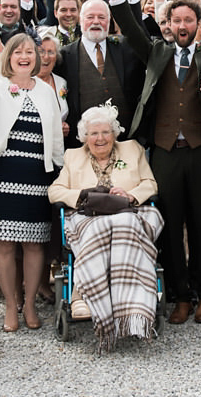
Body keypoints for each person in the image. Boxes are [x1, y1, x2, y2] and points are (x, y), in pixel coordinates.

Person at [108, 0, 201, 325]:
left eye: (189, 20)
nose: (182, 26)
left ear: (198, 24)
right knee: (169, 223)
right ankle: (180, 296)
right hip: (163, 153)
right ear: (167, 24)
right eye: (176, 20)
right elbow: (132, 32)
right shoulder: (157, 53)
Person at [0, 0, 65, 333]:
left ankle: (31, 305)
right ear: (9, 58)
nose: (25, 56)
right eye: (18, 52)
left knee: (35, 243)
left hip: (36, 175)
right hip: (1, 175)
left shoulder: (46, 91)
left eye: (30, 52)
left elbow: (55, 136)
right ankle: (11, 305)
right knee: (5, 244)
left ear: (37, 58)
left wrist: (59, 169)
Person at [47, 104, 163, 352]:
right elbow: (54, 191)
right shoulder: (73, 156)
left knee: (124, 224)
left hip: (130, 211)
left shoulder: (132, 150)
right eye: (93, 134)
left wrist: (130, 195)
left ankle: (130, 304)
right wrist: (84, 195)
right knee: (98, 228)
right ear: (84, 138)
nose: (100, 138)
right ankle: (82, 295)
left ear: (114, 133)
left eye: (105, 132)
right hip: (88, 215)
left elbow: (150, 184)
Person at [57, 0, 143, 148]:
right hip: (82, 144)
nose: (96, 22)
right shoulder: (65, 56)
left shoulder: (125, 48)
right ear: (80, 20)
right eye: (90, 17)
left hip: (125, 142)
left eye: (101, 17)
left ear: (109, 22)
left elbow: (140, 32)